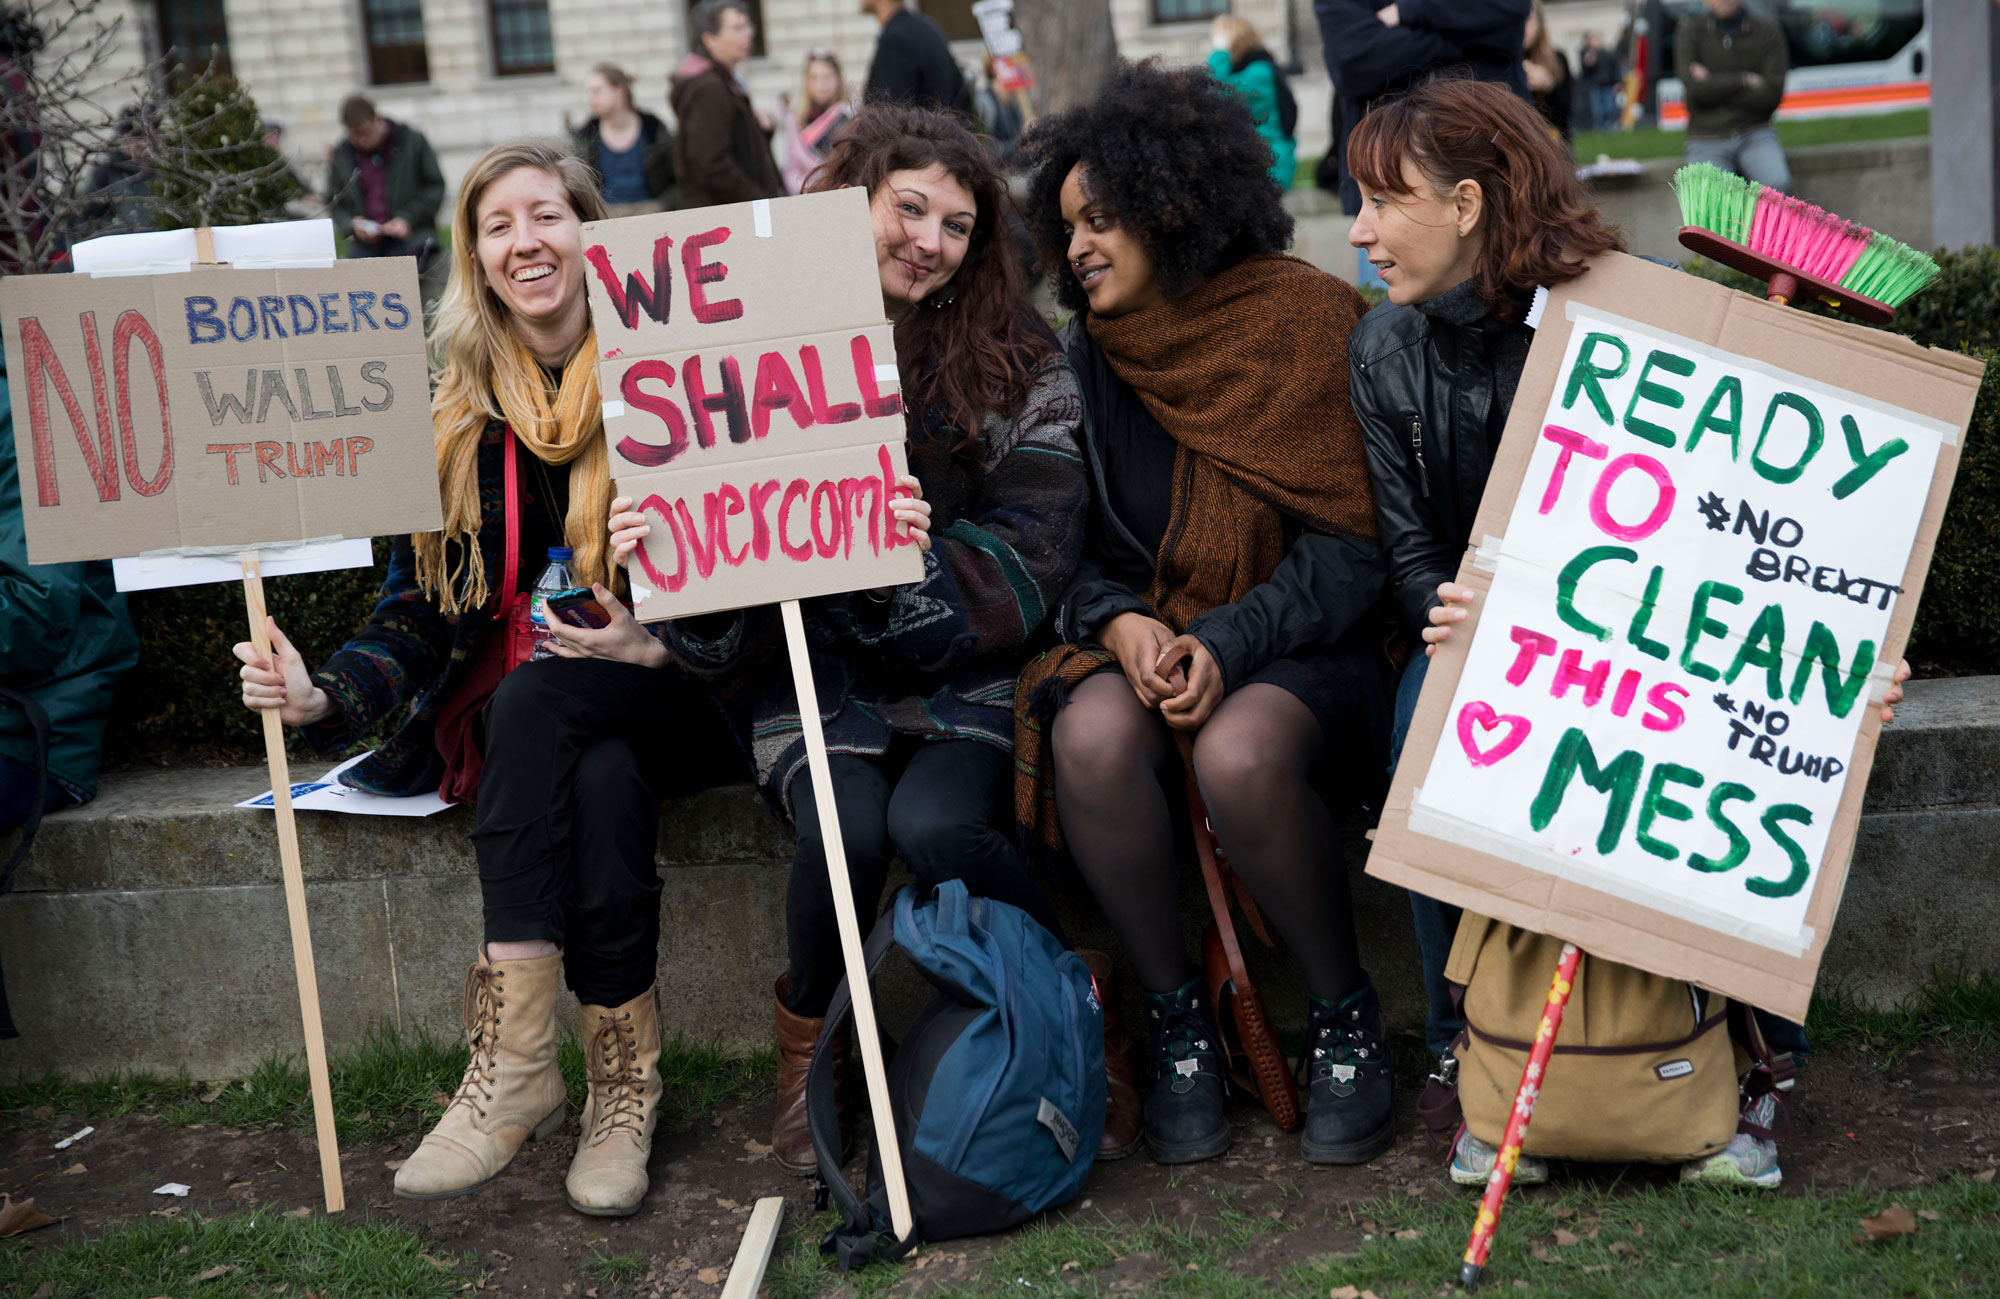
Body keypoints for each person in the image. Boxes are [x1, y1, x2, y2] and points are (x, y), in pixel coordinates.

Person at [1343, 75, 1909, 1190]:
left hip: (1648, 645)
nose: (1356, 231)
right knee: (1423, 717)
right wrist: (1443, 606)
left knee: (1755, 734)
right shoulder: (1380, 353)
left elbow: (1741, 538)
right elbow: (1408, 553)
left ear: (1464, 205)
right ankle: (1468, 1042)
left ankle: (1754, 1052)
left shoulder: (1628, 321)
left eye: (1380, 199)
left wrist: (1833, 642)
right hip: (1489, 646)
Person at [234, 139, 738, 1218]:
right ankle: (614, 1089)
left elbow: (751, 576)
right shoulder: (450, 415)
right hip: (543, 728)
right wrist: (322, 697)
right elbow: (415, 615)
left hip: (686, 694)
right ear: (474, 255)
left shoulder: (676, 372)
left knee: (542, 699)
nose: (526, 242)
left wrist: (654, 642)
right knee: (593, 771)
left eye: (545, 216)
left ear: (588, 229)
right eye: (498, 225)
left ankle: (512, 1075)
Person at [627, 102, 1086, 1176]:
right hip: (814, 678)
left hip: (964, 680)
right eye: (908, 207)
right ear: (852, 206)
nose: (928, 239)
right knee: (845, 826)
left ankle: (1065, 1004)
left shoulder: (1022, 366)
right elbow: (710, 636)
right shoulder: (734, 350)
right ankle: (812, 1058)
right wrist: (671, 559)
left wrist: (905, 569)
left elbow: (1034, 556)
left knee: (935, 827)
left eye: (958, 225)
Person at [1014, 61, 1397, 1170]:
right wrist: (1124, 627)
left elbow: (1356, 544)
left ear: (1174, 207)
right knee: (1085, 733)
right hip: (1144, 643)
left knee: (1235, 751)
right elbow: (1066, 542)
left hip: (1308, 651)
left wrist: (1226, 641)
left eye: (1103, 220)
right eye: (1067, 225)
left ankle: (1340, 1014)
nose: (1078, 246)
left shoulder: (1303, 320)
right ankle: (1175, 1015)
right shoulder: (1086, 363)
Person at [1312, 0, 1531, 286]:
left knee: (1515, 305)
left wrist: (1409, 12)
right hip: (1388, 184)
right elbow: (1354, 58)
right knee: (1393, 318)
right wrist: (1465, 37)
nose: (1357, 236)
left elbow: (1508, 11)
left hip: (1496, 175)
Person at [671, 0, 784, 207]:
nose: (748, 34)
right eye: (737, 28)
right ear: (710, 39)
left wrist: (759, 129)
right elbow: (710, 162)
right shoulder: (708, 89)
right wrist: (759, 200)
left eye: (747, 26)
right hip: (723, 219)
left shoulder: (723, 82)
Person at [1676, 0, 1790, 191]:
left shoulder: (1766, 31)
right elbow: (1696, 93)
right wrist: (1743, 80)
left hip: (1754, 131)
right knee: (1710, 198)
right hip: (1707, 136)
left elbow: (1771, 95)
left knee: (1778, 185)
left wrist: (1713, 83)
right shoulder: (1690, 32)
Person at [326, 95, 444, 267]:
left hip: (412, 238)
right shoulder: (342, 154)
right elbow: (334, 200)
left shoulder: (411, 141)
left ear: (377, 119)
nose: (362, 141)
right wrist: (352, 225)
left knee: (404, 272)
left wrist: (408, 218)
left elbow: (434, 187)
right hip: (365, 245)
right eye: (355, 135)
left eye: (366, 133)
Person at [1207, 14, 1298, 189]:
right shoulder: (1250, 69)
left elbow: (1215, 91)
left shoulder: (1259, 72)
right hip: (1254, 162)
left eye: (1219, 40)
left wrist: (1219, 53)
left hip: (1268, 165)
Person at [573, 63, 676, 215]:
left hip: (651, 215)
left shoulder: (653, 130)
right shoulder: (586, 137)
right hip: (606, 218)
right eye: (589, 92)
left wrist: (662, 205)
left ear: (620, 91)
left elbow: (677, 180)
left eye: (597, 91)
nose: (591, 98)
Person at [858, 0, 972, 118]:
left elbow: (888, 122)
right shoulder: (926, 28)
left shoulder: (896, 40)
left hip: (922, 133)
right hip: (944, 132)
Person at [775, 47, 853, 194]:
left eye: (827, 76)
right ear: (806, 81)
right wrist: (808, 189)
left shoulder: (850, 114)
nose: (821, 84)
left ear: (838, 78)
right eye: (814, 77)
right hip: (809, 196)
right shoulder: (796, 120)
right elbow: (791, 169)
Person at [75, 104, 155, 237]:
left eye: (145, 137)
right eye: (135, 137)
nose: (141, 143)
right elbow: (87, 220)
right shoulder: (106, 171)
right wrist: (122, 229)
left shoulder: (163, 169)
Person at [1522, 1, 1574, 146]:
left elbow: (1566, 113)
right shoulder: (1503, 62)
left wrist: (1549, 84)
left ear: (1539, 23)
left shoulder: (1558, 59)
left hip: (1553, 145)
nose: (1523, 27)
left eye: (1528, 19)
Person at [1578, 30, 1623, 131]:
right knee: (1598, 109)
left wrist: (1617, 81)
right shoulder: (1588, 54)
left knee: (1609, 107)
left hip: (1607, 84)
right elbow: (1585, 69)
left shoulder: (1607, 54)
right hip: (1595, 85)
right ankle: (1600, 126)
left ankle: (1608, 125)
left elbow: (1615, 68)